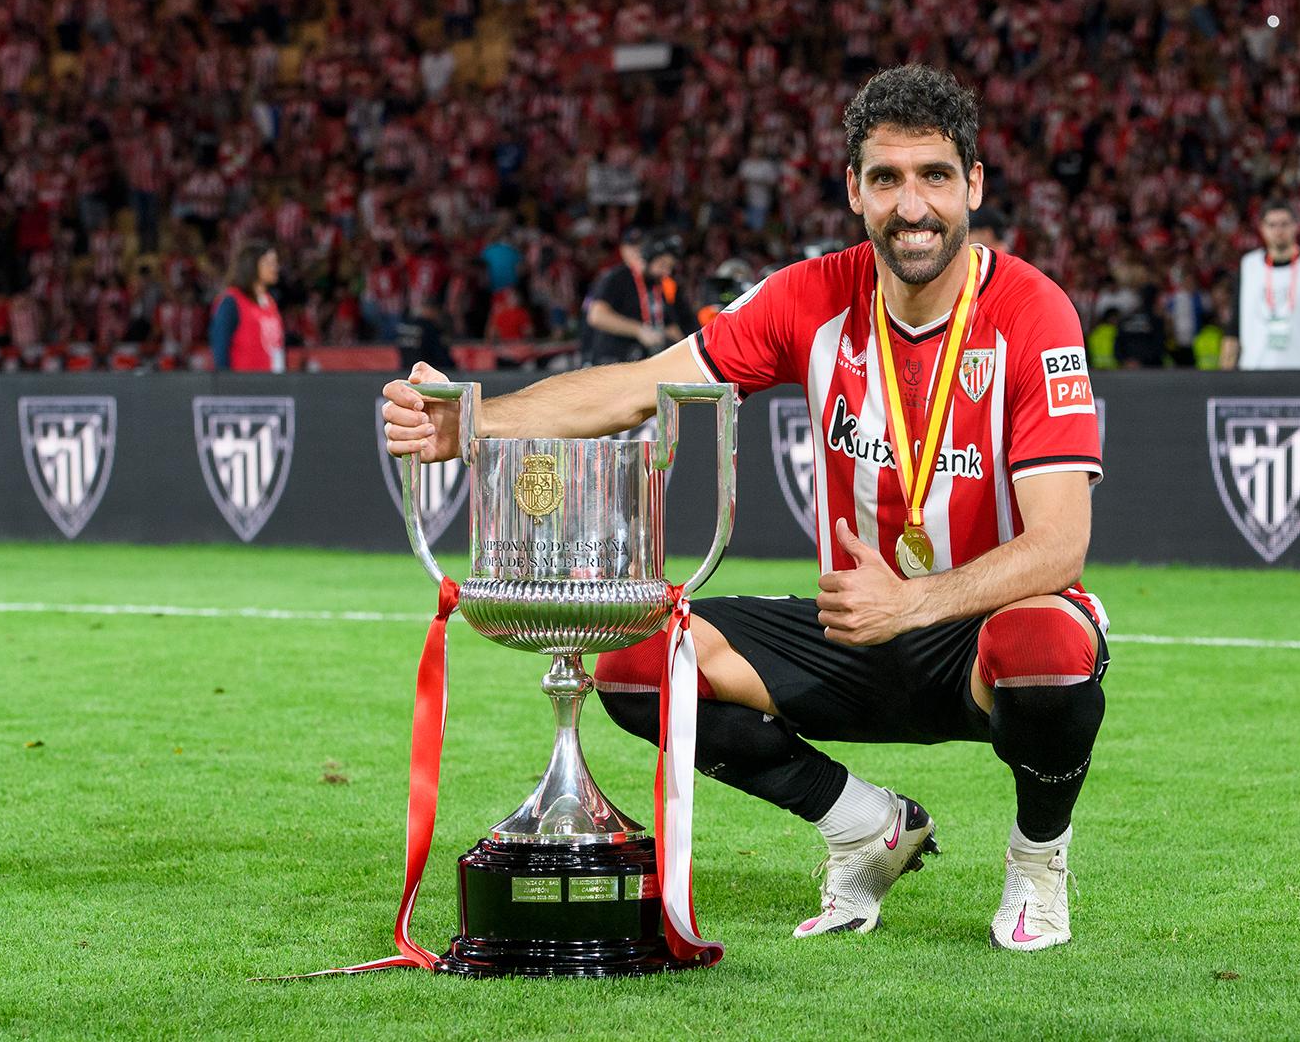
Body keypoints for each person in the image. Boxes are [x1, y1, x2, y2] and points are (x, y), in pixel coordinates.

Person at [384, 65, 1108, 952]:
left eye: (935, 177)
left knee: (1049, 645)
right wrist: (473, 424)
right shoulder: (808, 297)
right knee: (638, 661)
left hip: (977, 631)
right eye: (886, 179)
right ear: (853, 190)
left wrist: (913, 603)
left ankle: (1038, 860)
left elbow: (1061, 543)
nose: (912, 206)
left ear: (975, 185)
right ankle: (863, 825)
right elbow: (641, 387)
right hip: (853, 629)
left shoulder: (1034, 312)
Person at [1220, 201, 1300, 370]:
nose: (1278, 231)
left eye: (1284, 224)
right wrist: (1225, 375)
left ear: (1296, 226)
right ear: (1262, 228)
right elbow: (1234, 326)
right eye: (1272, 225)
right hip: (1255, 369)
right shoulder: (1249, 266)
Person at [580, 229, 684, 365]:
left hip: (641, 363)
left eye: (670, 267)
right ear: (647, 258)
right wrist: (639, 330)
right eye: (662, 265)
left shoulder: (657, 285)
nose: (667, 272)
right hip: (611, 364)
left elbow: (671, 327)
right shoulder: (617, 277)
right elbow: (597, 316)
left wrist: (687, 351)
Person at [210, 242, 285, 372]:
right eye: (269, 262)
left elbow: (277, 346)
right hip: (243, 386)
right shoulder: (231, 302)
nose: (275, 267)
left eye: (275, 262)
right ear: (252, 265)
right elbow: (220, 349)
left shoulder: (270, 302)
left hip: (271, 385)